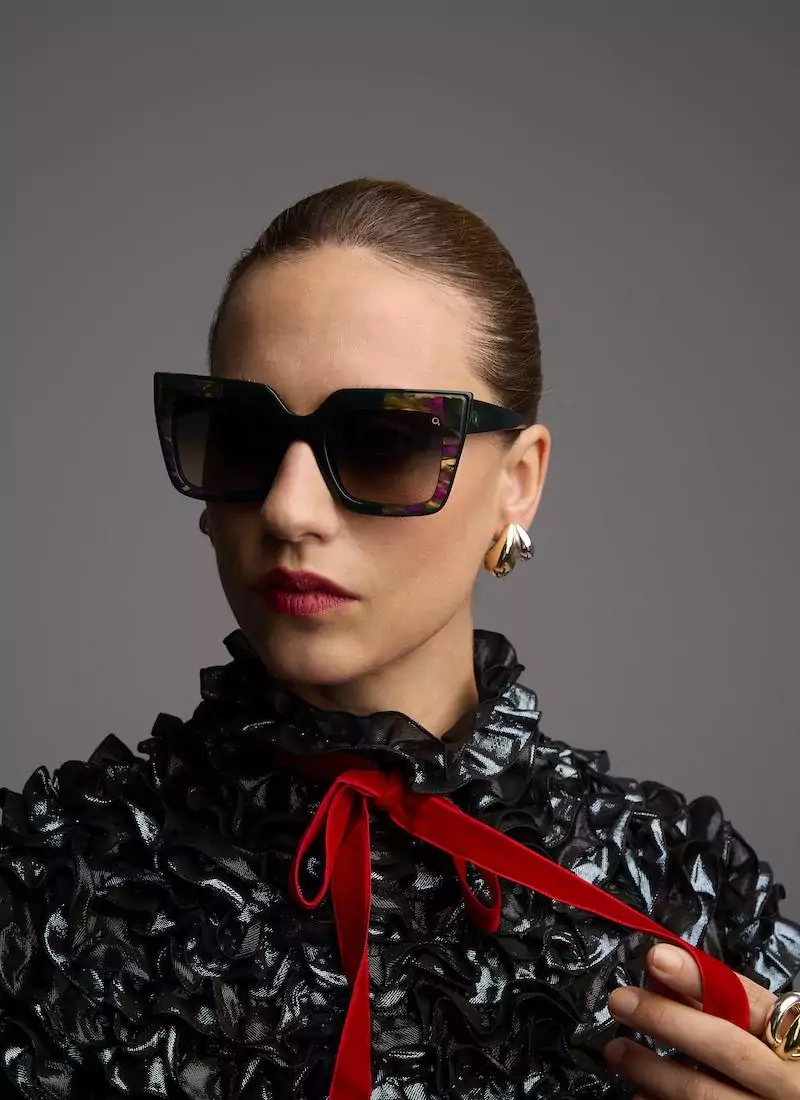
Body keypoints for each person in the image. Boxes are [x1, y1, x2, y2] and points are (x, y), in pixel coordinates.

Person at [1, 177, 798, 1100]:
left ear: (518, 483)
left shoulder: (688, 888)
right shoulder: (47, 887)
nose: (288, 510)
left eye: (383, 441)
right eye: (242, 438)